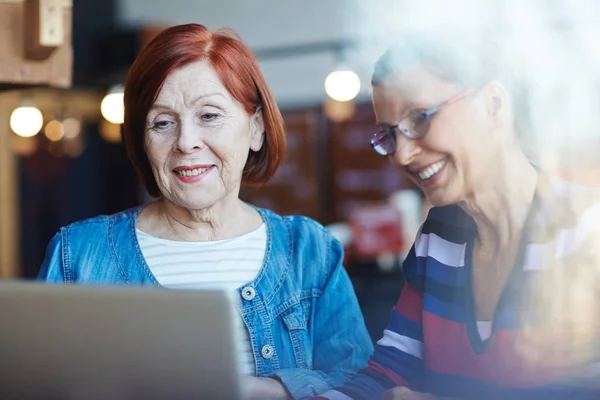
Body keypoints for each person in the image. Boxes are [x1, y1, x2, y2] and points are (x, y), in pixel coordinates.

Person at [38, 23, 373, 400]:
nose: (185, 142)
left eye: (209, 116)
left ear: (257, 128)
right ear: (143, 142)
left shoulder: (310, 251)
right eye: (162, 123)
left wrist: (267, 390)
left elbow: (359, 386)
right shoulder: (77, 255)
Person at [316, 31, 600, 400]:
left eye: (419, 118)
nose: (401, 155)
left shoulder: (585, 229)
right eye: (389, 135)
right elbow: (388, 372)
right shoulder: (439, 237)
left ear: (493, 105)